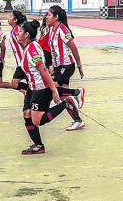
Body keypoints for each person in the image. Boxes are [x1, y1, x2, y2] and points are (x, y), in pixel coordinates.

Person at [17, 20, 83, 155]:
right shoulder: (29, 47)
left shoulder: (32, 49)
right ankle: (38, 145)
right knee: (27, 114)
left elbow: (43, 70)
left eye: (20, 31)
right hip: (32, 88)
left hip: (41, 89)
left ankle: (67, 103)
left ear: (26, 34)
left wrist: (53, 90)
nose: (17, 33)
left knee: (38, 120)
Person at [47, 5, 86, 131]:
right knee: (65, 98)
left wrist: (79, 65)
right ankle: (77, 120)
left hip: (67, 65)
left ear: (56, 17)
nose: (46, 17)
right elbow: (54, 50)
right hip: (59, 66)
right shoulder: (52, 29)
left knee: (52, 86)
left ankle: (78, 92)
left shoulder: (63, 30)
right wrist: (53, 65)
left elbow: (73, 47)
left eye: (49, 15)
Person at [6, 10, 29, 92]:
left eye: (11, 16)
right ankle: (29, 92)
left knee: (14, 84)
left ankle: (30, 92)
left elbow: (24, 43)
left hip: (24, 62)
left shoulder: (17, 30)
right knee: (28, 83)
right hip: (21, 62)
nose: (8, 18)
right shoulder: (15, 30)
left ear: (15, 20)